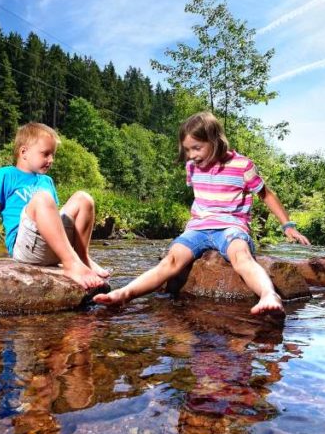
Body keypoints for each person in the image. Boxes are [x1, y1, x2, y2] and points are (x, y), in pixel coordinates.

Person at [95, 111, 310, 314]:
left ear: (215, 140)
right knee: (170, 260)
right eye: (187, 150)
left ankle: (268, 295)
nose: (192, 155)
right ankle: (125, 293)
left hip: (231, 227)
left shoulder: (242, 165)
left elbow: (267, 195)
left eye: (196, 148)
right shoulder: (192, 167)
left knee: (241, 256)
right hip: (198, 228)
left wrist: (287, 226)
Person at [0, 122, 108, 290]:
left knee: (83, 198)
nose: (51, 160)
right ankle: (71, 265)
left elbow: (54, 218)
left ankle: (81, 258)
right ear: (24, 152)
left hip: (53, 244)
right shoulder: (4, 175)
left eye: (53, 155)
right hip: (25, 247)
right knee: (42, 198)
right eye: (45, 154)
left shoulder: (47, 181)